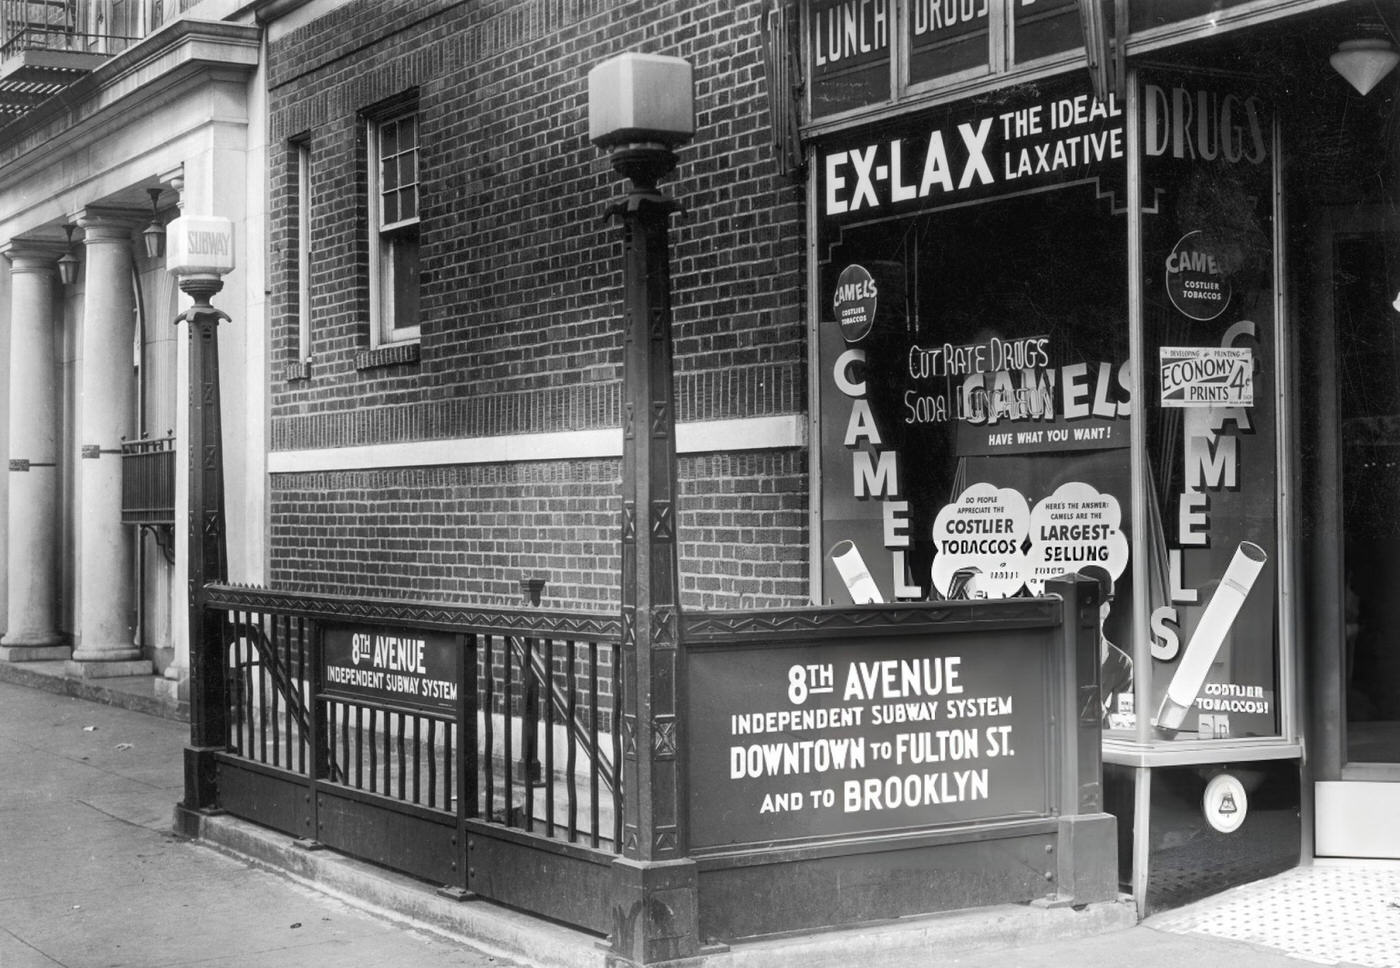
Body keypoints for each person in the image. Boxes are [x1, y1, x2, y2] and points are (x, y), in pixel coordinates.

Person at [1079, 564, 1132, 722]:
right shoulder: (1054, 654)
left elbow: (1122, 720)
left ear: (1107, 608)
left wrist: (1099, 710)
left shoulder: (1121, 664)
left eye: (1101, 603)